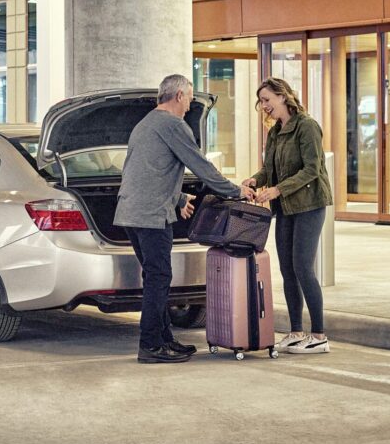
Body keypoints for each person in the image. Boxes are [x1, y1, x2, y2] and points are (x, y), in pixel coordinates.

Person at [115, 74, 255, 364]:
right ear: (178, 95)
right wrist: (235, 191)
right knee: (159, 277)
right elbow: (200, 165)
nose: (190, 106)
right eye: (189, 99)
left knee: (155, 276)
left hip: (131, 212)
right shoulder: (172, 124)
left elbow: (144, 172)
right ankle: (151, 344)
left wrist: (178, 199)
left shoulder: (145, 124)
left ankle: (164, 339)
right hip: (151, 215)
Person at [243, 78, 333, 354]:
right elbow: (268, 170)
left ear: (283, 96)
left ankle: (318, 335)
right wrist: (254, 181)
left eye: (267, 99)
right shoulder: (275, 133)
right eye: (261, 101)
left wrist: (277, 191)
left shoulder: (306, 126)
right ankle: (295, 331)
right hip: (285, 208)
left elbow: (312, 170)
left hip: (309, 204)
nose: (264, 106)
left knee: (303, 267)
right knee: (287, 269)